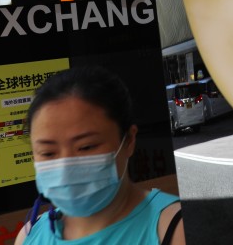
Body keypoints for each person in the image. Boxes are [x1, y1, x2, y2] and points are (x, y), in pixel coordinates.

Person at [14, 66, 185, 245]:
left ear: (128, 140)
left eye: (86, 147)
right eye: (48, 153)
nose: (65, 167)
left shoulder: (175, 229)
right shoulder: (29, 236)